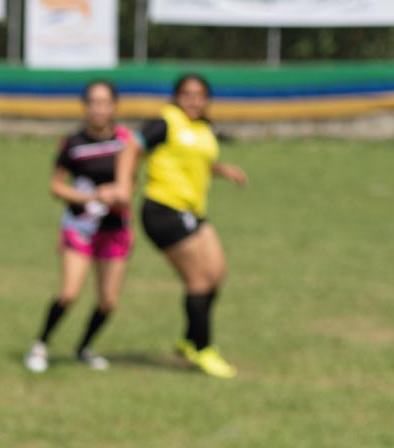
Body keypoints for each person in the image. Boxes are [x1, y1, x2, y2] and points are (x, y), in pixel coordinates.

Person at [137, 73, 248, 378]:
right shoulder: (164, 122)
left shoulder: (204, 127)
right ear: (176, 96)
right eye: (187, 94)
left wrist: (221, 169)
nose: (193, 100)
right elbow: (132, 148)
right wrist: (124, 181)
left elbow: (193, 160)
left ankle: (188, 340)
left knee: (216, 274)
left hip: (192, 211)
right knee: (199, 280)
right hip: (163, 209)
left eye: (199, 95)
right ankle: (203, 349)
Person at [23, 80, 136, 374]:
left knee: (108, 301)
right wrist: (89, 197)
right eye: (93, 102)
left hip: (114, 228)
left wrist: (117, 195)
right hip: (80, 226)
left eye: (104, 102)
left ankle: (84, 347)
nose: (99, 108)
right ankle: (41, 343)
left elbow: (128, 187)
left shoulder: (126, 141)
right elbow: (56, 186)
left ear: (114, 106)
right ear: (85, 106)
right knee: (70, 292)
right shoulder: (73, 143)